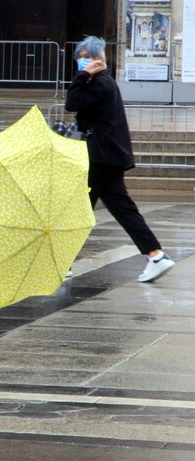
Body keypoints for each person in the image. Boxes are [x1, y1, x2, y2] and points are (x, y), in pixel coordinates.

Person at [66, 36, 174, 282]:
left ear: (99, 59)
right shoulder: (102, 82)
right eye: (79, 59)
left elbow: (71, 103)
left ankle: (63, 263)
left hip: (101, 156)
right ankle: (156, 255)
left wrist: (81, 77)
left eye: (87, 58)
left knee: (78, 209)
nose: (82, 63)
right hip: (106, 156)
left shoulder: (100, 83)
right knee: (119, 209)